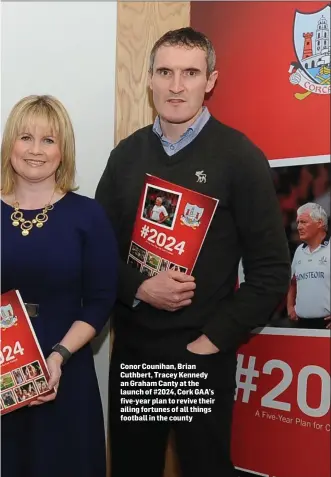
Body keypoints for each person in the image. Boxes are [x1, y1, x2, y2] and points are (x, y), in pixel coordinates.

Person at [95, 27, 291, 477]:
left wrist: (211, 342)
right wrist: (141, 288)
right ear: (149, 80)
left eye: (189, 72)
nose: (176, 85)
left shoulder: (240, 157)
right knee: (131, 469)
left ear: (211, 80)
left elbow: (271, 270)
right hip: (137, 357)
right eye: (165, 72)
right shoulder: (126, 156)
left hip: (201, 356)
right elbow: (98, 256)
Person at [1, 94, 118, 477]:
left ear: (63, 149)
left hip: (65, 371)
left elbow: (101, 300)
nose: (36, 150)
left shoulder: (88, 215)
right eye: (25, 138)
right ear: (10, 144)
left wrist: (58, 357)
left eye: (48, 140)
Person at [287, 202, 330, 329]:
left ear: (320, 223)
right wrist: (290, 307)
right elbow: (292, 281)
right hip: (301, 323)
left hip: (326, 324)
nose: (299, 227)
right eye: (298, 222)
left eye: (304, 222)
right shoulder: (299, 251)